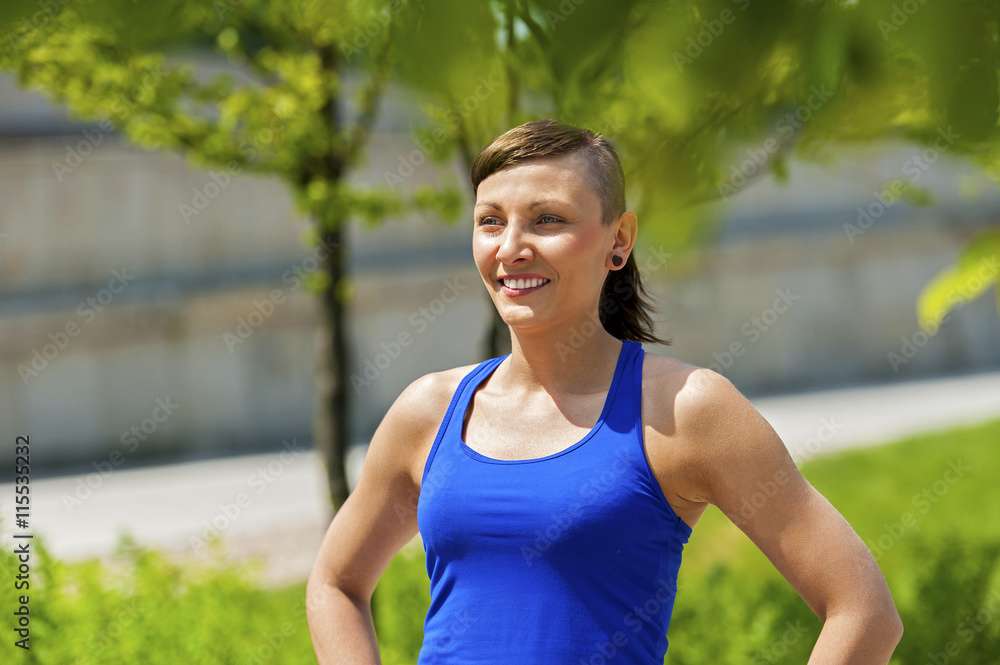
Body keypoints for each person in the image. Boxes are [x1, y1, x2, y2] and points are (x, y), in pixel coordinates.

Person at [306, 119, 903, 664]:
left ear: (619, 239)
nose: (511, 247)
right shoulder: (429, 412)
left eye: (548, 219)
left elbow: (864, 612)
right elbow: (335, 582)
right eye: (491, 220)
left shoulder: (685, 408)